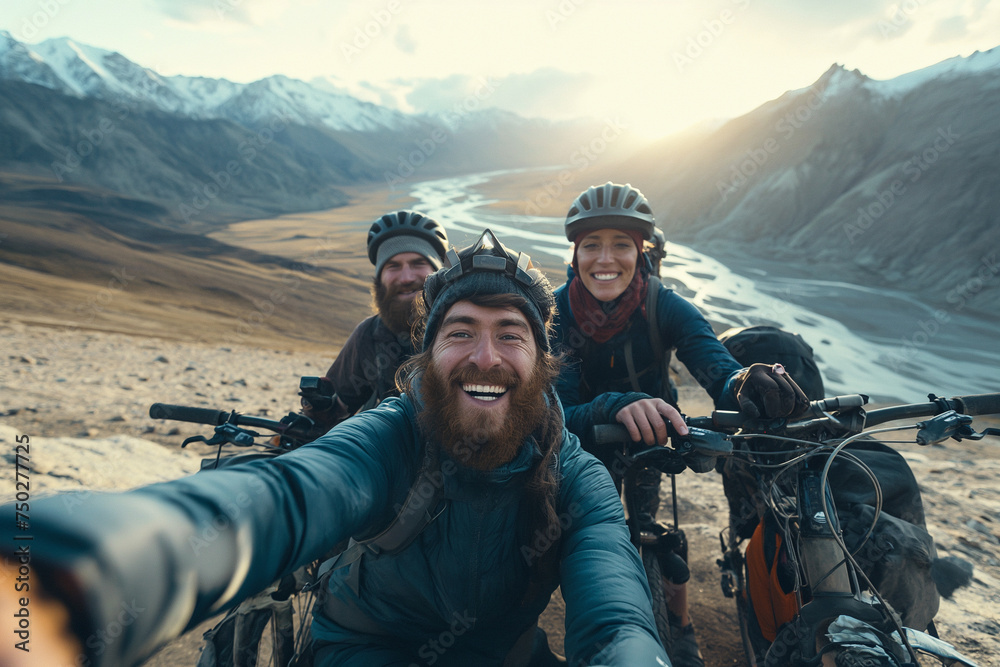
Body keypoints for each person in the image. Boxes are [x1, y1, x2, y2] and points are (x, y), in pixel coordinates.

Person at [0, 230, 672, 667]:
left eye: (511, 335)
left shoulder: (571, 472)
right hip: (365, 648)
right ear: (430, 356)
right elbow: (289, 496)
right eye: (460, 332)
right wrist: (98, 568)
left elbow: (615, 615)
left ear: (542, 360)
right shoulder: (390, 435)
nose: (485, 357)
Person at [552, 182, 809, 667]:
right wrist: (616, 404)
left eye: (621, 244)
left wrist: (744, 384)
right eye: (591, 245)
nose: (605, 258)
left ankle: (682, 624)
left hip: (654, 434)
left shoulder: (663, 305)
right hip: (586, 437)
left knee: (650, 527)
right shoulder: (557, 315)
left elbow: (716, 365)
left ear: (641, 251)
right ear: (575, 252)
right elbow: (558, 410)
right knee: (586, 534)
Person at [299, 210, 449, 431]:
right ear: (379, 279)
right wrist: (318, 408)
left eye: (418, 263)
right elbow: (336, 408)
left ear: (439, 273)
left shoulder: (465, 328)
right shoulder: (369, 335)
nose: (406, 277)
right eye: (393, 266)